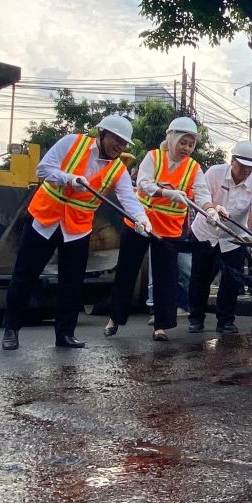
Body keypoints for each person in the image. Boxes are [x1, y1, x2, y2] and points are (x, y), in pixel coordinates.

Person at [1, 115, 149, 350]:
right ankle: (11, 330)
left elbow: (128, 198)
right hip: (45, 220)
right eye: (116, 140)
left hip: (77, 229)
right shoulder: (71, 142)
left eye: (124, 144)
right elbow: (43, 169)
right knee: (25, 275)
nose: (120, 147)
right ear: (102, 134)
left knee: (71, 283)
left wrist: (141, 219)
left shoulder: (118, 170)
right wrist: (68, 179)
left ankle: (65, 335)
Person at [105, 117, 212, 342]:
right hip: (140, 223)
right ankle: (114, 318)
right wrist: (166, 193)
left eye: (191, 144)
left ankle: (161, 326)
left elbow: (202, 193)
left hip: (169, 229)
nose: (187, 148)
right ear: (171, 138)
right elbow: (143, 183)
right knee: (127, 270)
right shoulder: (153, 157)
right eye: (183, 142)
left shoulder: (194, 167)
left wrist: (210, 209)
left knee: (166, 277)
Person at [187, 140, 252, 334]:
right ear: (232, 161)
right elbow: (201, 196)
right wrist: (212, 210)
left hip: (233, 238)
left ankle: (226, 321)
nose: (246, 172)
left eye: (250, 168)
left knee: (232, 280)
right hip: (205, 233)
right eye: (242, 167)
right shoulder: (214, 172)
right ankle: (196, 319)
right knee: (200, 277)